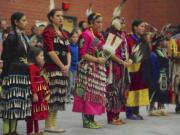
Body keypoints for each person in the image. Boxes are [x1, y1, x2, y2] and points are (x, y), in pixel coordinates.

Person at [73, 12, 107, 129]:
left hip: (97, 69)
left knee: (94, 94)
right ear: (91, 23)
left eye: (101, 22)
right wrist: (97, 59)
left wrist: (102, 59)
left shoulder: (99, 36)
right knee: (87, 95)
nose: (100, 24)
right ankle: (86, 121)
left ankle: (92, 119)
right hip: (87, 69)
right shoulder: (86, 34)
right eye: (98, 22)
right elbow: (82, 54)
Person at [0, 12, 31, 135]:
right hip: (12, 74)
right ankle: (7, 132)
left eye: (26, 20)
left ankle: (14, 131)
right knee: (10, 105)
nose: (26, 22)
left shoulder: (23, 36)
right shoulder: (11, 37)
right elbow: (5, 57)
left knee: (17, 104)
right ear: (16, 22)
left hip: (22, 74)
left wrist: (26, 62)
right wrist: (4, 76)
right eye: (23, 20)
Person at [43, 8, 71, 133]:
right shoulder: (48, 32)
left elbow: (68, 51)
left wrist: (68, 66)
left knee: (59, 97)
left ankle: (54, 123)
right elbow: (50, 52)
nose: (61, 18)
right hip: (52, 69)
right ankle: (49, 124)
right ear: (51, 18)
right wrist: (61, 66)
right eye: (58, 16)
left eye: (62, 16)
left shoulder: (64, 33)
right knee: (52, 96)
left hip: (63, 70)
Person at [126, 20, 150, 120]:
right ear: (135, 27)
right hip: (131, 68)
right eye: (141, 26)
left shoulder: (143, 39)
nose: (143, 28)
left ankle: (136, 111)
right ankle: (129, 113)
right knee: (132, 89)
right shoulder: (129, 38)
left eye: (144, 27)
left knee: (139, 89)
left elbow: (147, 52)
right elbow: (128, 51)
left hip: (141, 67)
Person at [26, 47, 50, 135]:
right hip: (35, 93)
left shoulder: (39, 66)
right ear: (34, 57)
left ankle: (36, 131)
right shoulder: (32, 67)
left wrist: (46, 91)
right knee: (32, 112)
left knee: (36, 111)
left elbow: (44, 78)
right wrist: (34, 93)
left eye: (43, 55)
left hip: (40, 93)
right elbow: (32, 80)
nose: (43, 57)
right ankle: (30, 131)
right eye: (41, 55)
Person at [149, 35, 170, 116]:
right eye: (164, 40)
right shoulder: (155, 52)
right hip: (158, 74)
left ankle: (160, 107)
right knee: (155, 91)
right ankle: (152, 108)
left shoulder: (163, 51)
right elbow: (155, 65)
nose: (166, 42)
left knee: (163, 91)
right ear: (159, 42)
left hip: (164, 74)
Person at [67, 30, 79, 103]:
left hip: (76, 67)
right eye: (73, 37)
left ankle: (71, 95)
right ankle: (67, 96)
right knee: (69, 82)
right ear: (70, 38)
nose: (75, 38)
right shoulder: (69, 46)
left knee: (74, 83)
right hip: (70, 67)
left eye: (76, 37)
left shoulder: (78, 47)